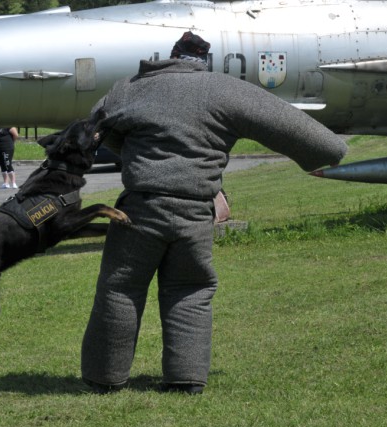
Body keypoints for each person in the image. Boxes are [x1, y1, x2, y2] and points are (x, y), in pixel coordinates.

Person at [80, 31, 348, 394]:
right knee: (190, 289)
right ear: (202, 62)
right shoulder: (224, 90)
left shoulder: (128, 88)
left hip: (140, 208)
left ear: (169, 57)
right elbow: (304, 133)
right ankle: (186, 380)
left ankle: (104, 378)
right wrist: (326, 153)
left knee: (121, 288)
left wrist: (131, 149)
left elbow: (96, 127)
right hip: (194, 212)